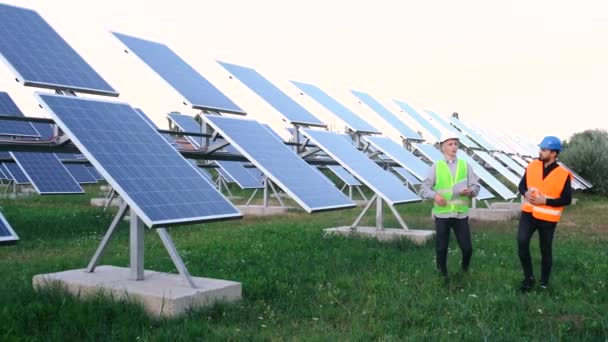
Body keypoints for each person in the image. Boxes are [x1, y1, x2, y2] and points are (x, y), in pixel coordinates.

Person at [421, 133, 480, 278]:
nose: (454, 147)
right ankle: (443, 276)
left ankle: (464, 270)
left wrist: (470, 191)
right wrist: (435, 196)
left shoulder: (465, 165)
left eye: (456, 144)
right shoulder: (437, 166)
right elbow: (424, 188)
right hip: (443, 213)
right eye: (450, 144)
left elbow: (476, 186)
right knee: (441, 248)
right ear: (443, 148)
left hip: (460, 214)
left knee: (467, 248)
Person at [517, 136, 572, 292]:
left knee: (545, 249)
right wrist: (525, 193)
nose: (540, 152)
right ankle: (528, 278)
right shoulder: (532, 165)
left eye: (544, 150)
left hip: (548, 217)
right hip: (528, 213)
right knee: (521, 242)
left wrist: (545, 202)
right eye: (540, 149)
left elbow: (567, 199)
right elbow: (522, 185)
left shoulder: (563, 174)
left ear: (554, 153)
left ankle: (544, 283)